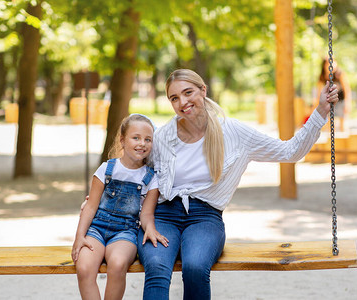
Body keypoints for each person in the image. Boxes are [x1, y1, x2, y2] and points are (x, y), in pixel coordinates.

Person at [137, 69, 339, 300]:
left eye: (188, 92)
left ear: (203, 90)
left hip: (205, 217)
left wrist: (321, 110)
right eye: (174, 98)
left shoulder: (233, 132)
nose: (183, 102)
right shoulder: (163, 136)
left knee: (195, 267)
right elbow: (139, 176)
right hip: (164, 215)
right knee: (157, 267)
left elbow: (290, 151)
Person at [71, 113, 168, 300]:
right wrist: (79, 236)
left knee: (117, 263)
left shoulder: (151, 178)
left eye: (148, 139)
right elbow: (90, 207)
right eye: (136, 138)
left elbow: (146, 214)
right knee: (83, 268)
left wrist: (151, 229)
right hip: (97, 229)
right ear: (123, 141)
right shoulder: (107, 169)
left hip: (125, 232)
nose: (142, 143)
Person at [315, 58, 352, 131]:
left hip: (341, 100)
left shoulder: (340, 74)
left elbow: (346, 89)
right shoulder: (322, 77)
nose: (333, 65)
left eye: (334, 62)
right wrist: (317, 105)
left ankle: (343, 138)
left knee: (342, 122)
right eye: (329, 63)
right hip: (329, 101)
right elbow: (319, 92)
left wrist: (348, 103)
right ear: (325, 66)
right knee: (329, 123)